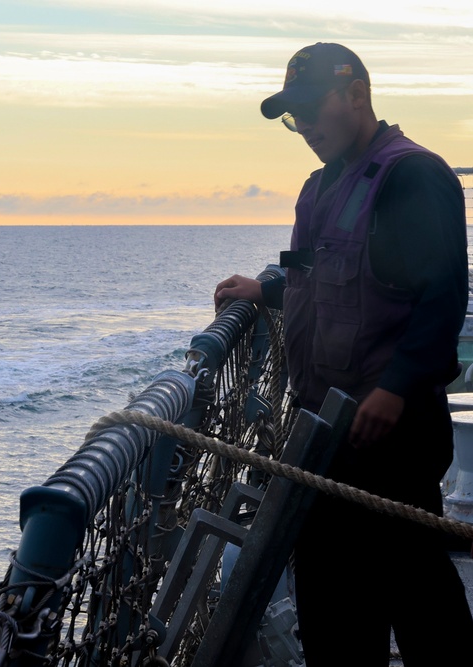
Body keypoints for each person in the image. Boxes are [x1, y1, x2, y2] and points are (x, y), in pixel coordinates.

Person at [214, 43, 473, 665]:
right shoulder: (321, 185)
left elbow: (444, 294)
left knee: (412, 584)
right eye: (292, 117)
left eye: (311, 110)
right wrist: (265, 289)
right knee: (335, 590)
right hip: (326, 424)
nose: (303, 128)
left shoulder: (413, 175)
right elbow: (319, 272)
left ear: (357, 94)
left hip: (390, 427)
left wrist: (397, 385)